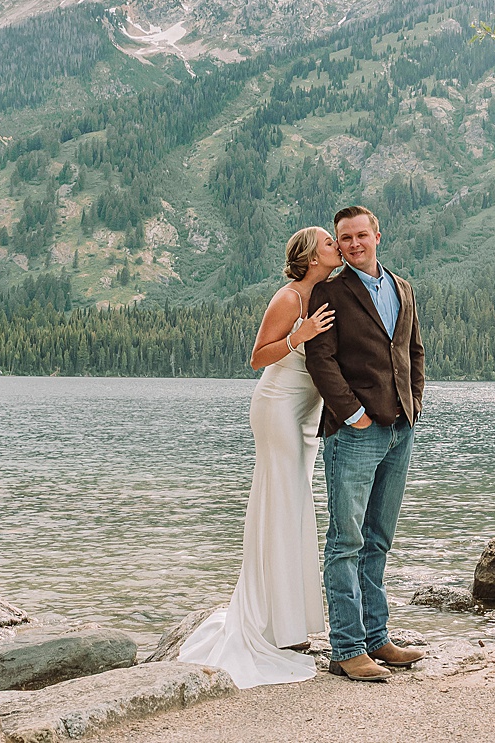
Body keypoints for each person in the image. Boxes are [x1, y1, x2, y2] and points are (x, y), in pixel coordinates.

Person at [176, 227, 339, 688]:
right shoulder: (289, 299)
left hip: (308, 413)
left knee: (294, 508)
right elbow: (256, 357)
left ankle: (290, 622)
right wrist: (298, 335)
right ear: (310, 256)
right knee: (281, 506)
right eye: (329, 242)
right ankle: (272, 626)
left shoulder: (327, 292)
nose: (336, 247)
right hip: (278, 406)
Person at [302, 205, 426, 682]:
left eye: (360, 235)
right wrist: (353, 414)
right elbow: (322, 360)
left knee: (378, 538)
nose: (352, 244)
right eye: (343, 238)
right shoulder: (328, 293)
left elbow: (413, 350)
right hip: (353, 434)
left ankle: (378, 639)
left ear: (378, 235)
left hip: (400, 430)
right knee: (346, 541)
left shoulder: (402, 288)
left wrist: (414, 405)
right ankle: (347, 649)